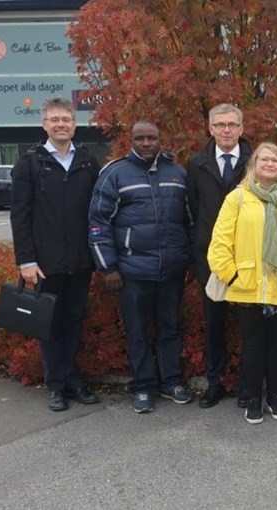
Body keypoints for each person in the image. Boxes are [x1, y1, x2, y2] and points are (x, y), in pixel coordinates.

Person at [208, 142, 277, 424]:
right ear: (254, 165)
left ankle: (274, 396)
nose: (270, 164)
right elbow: (220, 242)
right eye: (264, 159)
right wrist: (230, 274)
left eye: (276, 160)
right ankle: (254, 397)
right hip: (248, 286)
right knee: (253, 346)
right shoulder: (238, 198)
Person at [88, 121, 194, 414]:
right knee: (137, 331)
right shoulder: (114, 174)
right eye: (140, 138)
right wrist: (107, 267)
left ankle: (171, 381)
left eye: (152, 138)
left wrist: (189, 259)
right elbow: (98, 223)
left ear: (161, 140)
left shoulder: (177, 174)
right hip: (132, 272)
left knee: (170, 328)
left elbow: (190, 221)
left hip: (172, 270)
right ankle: (144, 386)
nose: (147, 143)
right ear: (131, 141)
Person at [10, 97, 101, 412]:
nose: (61, 124)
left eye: (66, 119)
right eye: (54, 119)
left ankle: (73, 379)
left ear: (74, 124)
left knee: (74, 322)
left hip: (80, 260)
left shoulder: (88, 162)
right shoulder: (30, 163)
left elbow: (97, 212)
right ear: (44, 124)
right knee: (49, 324)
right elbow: (20, 216)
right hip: (44, 264)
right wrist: (27, 261)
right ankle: (55, 384)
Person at [186, 103, 253, 409]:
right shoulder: (197, 165)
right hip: (210, 261)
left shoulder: (256, 163)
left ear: (242, 128)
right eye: (220, 125)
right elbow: (193, 210)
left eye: (232, 124)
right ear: (210, 129)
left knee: (248, 326)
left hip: (249, 260)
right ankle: (215, 383)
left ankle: (246, 383)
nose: (226, 130)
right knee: (214, 326)